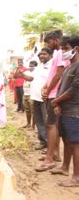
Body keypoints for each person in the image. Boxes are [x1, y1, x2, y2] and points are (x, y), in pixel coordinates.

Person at [36, 30, 68, 172]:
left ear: (55, 40)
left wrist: (48, 91)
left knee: (51, 125)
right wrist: (45, 85)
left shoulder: (61, 53)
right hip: (53, 92)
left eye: (48, 42)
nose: (48, 45)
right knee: (55, 125)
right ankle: (55, 154)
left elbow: (59, 74)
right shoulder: (58, 53)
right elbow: (53, 74)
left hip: (55, 94)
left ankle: (49, 159)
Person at [50, 35, 79, 187]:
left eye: (65, 49)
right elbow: (62, 88)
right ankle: (65, 168)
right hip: (64, 109)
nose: (63, 52)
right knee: (67, 141)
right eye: (61, 49)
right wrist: (57, 104)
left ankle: (77, 177)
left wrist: (55, 101)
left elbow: (74, 90)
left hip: (74, 110)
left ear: (76, 49)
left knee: (75, 143)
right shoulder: (68, 67)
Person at [24, 48, 53, 150]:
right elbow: (31, 78)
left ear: (50, 54)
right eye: (40, 54)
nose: (41, 56)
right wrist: (21, 74)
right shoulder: (39, 66)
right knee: (38, 120)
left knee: (47, 122)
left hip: (46, 98)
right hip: (35, 97)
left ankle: (50, 145)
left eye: (44, 54)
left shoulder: (52, 66)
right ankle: (43, 141)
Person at [21, 60, 37, 129]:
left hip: (32, 94)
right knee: (27, 110)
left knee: (33, 111)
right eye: (30, 66)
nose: (30, 67)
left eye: (32, 66)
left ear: (36, 66)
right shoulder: (26, 72)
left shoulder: (37, 73)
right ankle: (28, 124)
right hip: (25, 93)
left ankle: (33, 126)